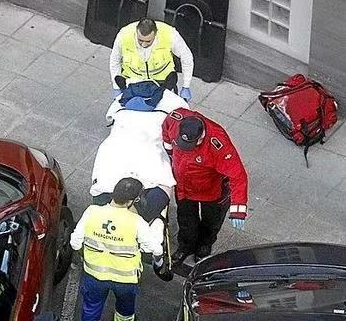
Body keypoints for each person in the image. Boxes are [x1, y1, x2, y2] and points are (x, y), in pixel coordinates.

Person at [71, 178, 165, 321]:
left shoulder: (92, 212)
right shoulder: (136, 222)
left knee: (91, 310)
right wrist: (158, 262)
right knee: (124, 313)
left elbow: (75, 243)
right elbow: (155, 249)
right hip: (125, 280)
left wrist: (85, 254)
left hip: (93, 276)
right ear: (134, 200)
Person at [162, 108, 248, 264]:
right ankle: (185, 247)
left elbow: (237, 175)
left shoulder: (218, 143)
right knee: (186, 220)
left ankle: (204, 247)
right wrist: (169, 156)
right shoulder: (175, 119)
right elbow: (166, 133)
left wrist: (238, 209)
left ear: (201, 136)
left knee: (211, 222)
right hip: (184, 187)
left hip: (212, 190)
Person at [109, 18, 195, 100]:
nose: (143, 45)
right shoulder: (123, 36)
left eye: (148, 41)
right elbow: (115, 61)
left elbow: (186, 57)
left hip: (162, 82)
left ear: (156, 33)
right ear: (136, 31)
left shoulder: (170, 34)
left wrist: (186, 86)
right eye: (140, 40)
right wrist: (116, 87)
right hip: (133, 81)